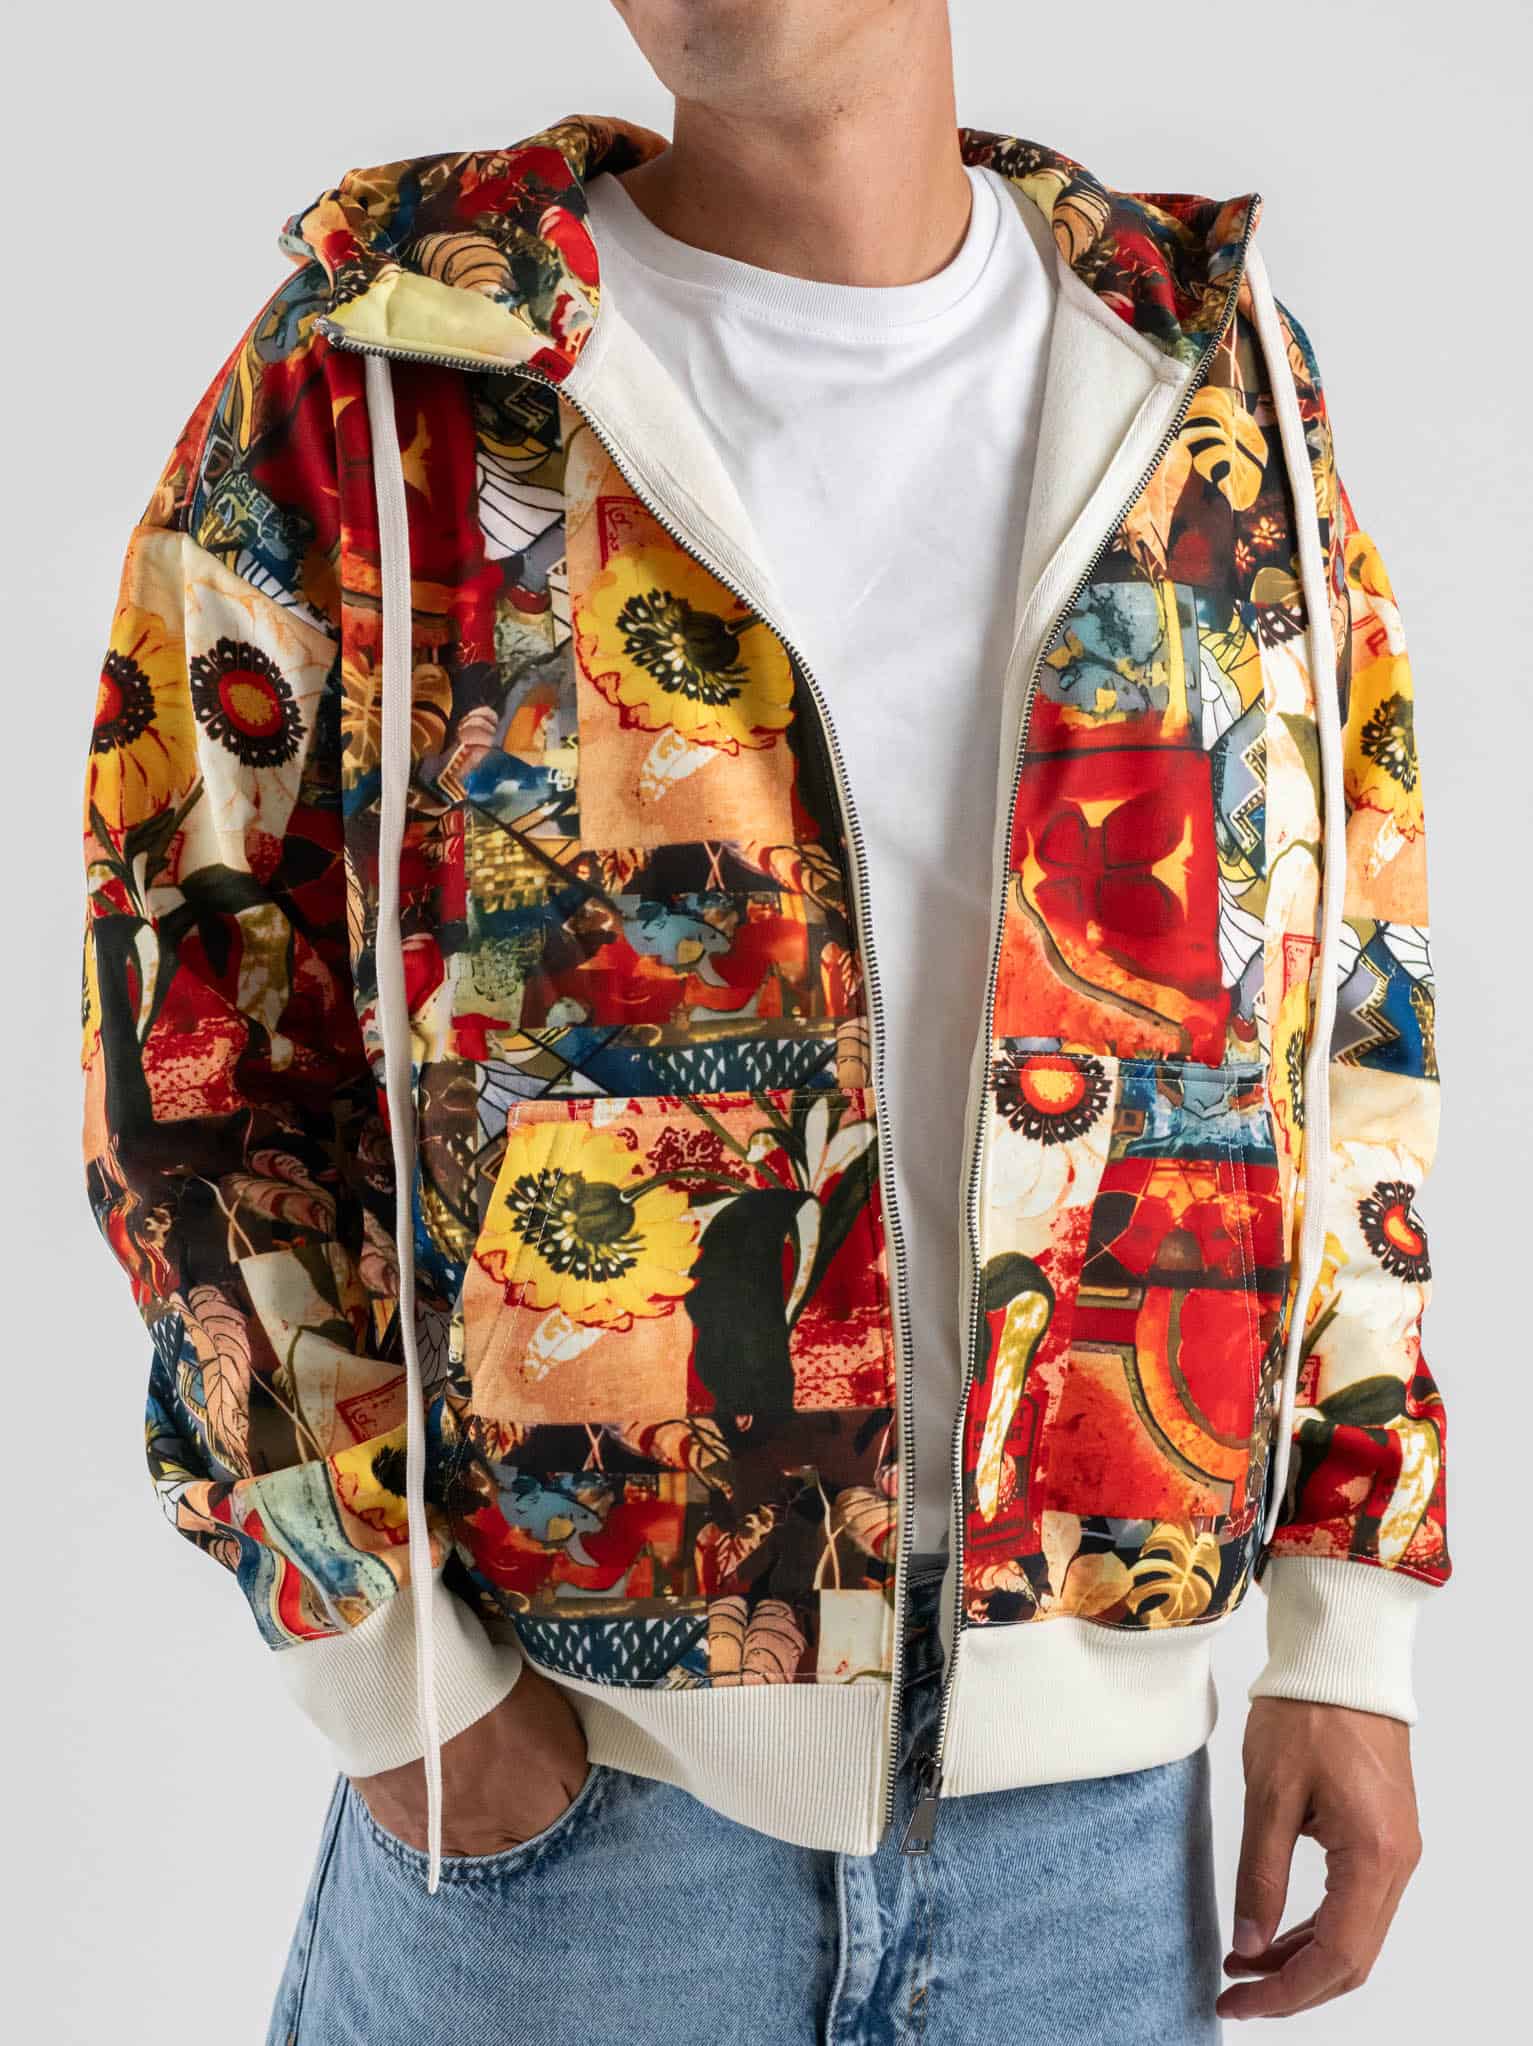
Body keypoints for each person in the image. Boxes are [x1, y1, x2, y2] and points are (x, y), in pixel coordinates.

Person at [81, 2, 1445, 2038]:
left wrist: (1345, 1625)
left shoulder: (1202, 372)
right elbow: (188, 1046)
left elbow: (1340, 1021)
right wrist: (389, 1671)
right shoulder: (383, 376)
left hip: (1094, 1856)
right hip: (573, 1830)